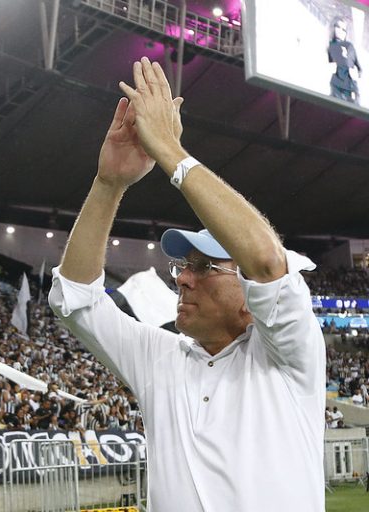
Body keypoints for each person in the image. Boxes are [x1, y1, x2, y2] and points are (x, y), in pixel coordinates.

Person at [49, 57, 325, 511]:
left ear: (250, 301)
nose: (183, 277)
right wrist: (108, 183)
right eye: (182, 265)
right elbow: (76, 301)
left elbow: (266, 261)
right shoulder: (160, 358)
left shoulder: (288, 353)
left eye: (205, 267)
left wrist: (170, 153)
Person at [328, 17, 361, 103]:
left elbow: (359, 68)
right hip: (336, 87)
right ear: (333, 27)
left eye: (343, 29)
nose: (340, 31)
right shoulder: (329, 46)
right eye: (338, 27)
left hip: (350, 87)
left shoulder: (350, 46)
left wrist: (356, 75)